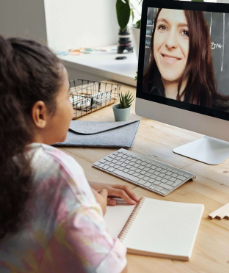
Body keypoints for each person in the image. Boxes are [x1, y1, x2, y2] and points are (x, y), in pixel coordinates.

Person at [0, 36, 139, 273]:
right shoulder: (57, 172)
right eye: (67, 96)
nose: (72, 106)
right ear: (40, 113)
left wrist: (80, 186)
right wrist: (93, 212)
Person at [143, 8, 229, 114]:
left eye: (185, 32)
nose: (170, 43)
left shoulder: (223, 115)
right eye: (163, 27)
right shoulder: (140, 93)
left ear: (199, 45)